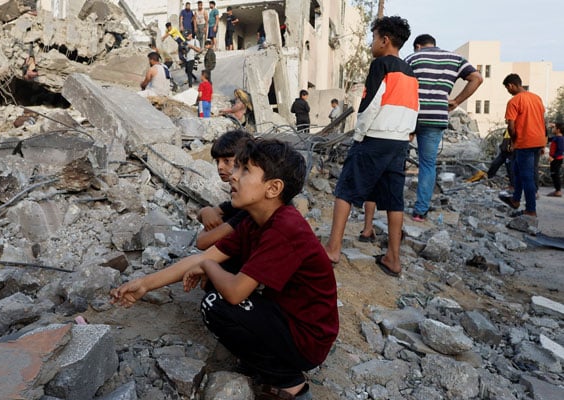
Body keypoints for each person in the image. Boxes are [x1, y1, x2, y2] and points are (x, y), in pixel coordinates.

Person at [112, 138, 339, 400]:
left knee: (217, 303)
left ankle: (289, 383)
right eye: (236, 168)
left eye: (244, 170)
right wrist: (144, 285)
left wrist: (208, 266)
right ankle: (265, 361)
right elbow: (203, 255)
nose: (232, 175)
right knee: (219, 288)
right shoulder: (255, 221)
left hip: (307, 340)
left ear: (273, 188)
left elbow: (233, 291)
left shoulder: (285, 228)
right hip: (286, 318)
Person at [323, 16, 418, 277]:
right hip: (399, 142)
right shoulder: (410, 72)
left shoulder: (381, 65)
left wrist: (359, 136)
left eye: (374, 38)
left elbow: (370, 104)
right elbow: (414, 108)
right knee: (394, 199)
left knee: (346, 188)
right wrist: (406, 134)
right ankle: (393, 259)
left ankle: (333, 248)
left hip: (375, 137)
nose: (371, 43)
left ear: (384, 40)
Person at [404, 34, 483, 222]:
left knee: (398, 158)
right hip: (436, 117)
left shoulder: (413, 58)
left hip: (410, 116)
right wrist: (456, 101)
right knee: (427, 164)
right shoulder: (455, 58)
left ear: (418, 46)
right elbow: (477, 78)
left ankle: (393, 206)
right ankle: (420, 211)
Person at [498, 74, 547, 217]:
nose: (508, 91)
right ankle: (515, 200)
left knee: (527, 176)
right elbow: (542, 120)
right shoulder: (537, 98)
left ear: (511, 85)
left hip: (525, 141)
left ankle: (531, 210)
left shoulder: (514, 101)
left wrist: (513, 141)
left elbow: (511, 126)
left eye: (507, 88)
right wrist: (543, 142)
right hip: (538, 140)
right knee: (517, 170)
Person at [196, 130, 252, 251]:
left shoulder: (249, 208)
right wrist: (206, 211)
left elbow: (202, 242)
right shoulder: (237, 198)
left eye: (227, 161)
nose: (220, 167)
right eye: (217, 161)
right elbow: (204, 215)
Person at [547, 121, 564, 197]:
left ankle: (558, 191)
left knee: (555, 174)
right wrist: (547, 128)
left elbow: (560, 150)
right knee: (553, 174)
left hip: (556, 159)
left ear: (558, 130)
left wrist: (553, 157)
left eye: (554, 128)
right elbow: (547, 138)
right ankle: (557, 190)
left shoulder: (560, 138)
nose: (552, 129)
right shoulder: (556, 137)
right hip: (555, 159)